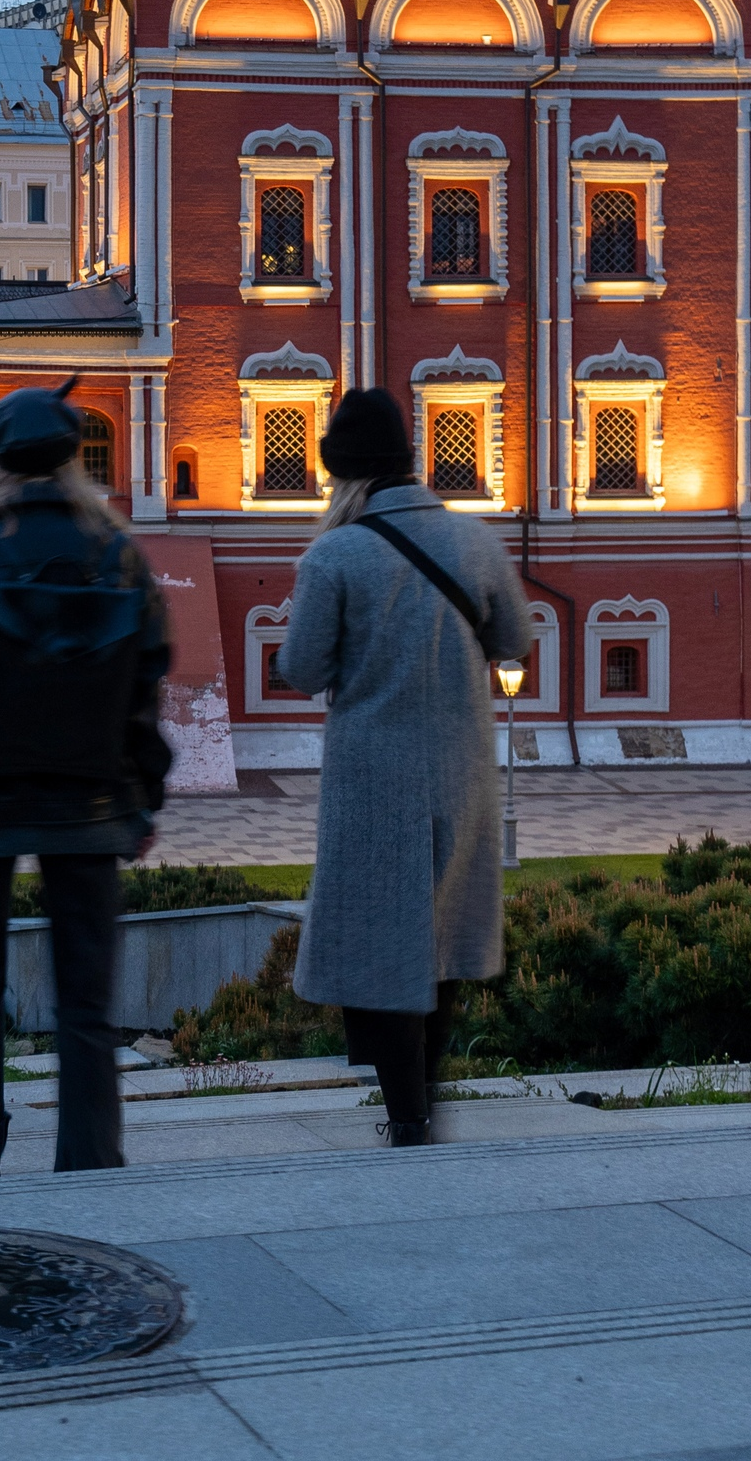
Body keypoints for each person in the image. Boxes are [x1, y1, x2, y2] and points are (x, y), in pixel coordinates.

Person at [0, 382, 172, 1180]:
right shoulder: (119, 553)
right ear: (70, 456)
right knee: (86, 1002)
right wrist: (144, 796)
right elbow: (147, 685)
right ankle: (90, 1158)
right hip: (92, 800)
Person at [278, 386, 531, 1146]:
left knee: (380, 942)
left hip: (371, 778)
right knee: (444, 937)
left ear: (344, 474)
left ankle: (406, 1114)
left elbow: (299, 666)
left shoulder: (336, 553)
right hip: (461, 768)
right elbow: (515, 639)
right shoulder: (475, 541)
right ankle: (423, 1101)